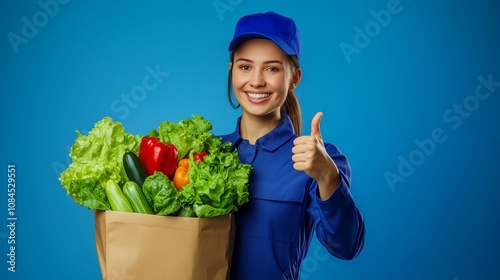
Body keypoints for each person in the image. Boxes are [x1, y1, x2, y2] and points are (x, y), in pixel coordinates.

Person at [220, 11, 365, 279]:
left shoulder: (318, 160)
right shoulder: (207, 153)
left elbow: (347, 246)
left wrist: (327, 176)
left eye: (272, 68)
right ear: (232, 71)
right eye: (245, 66)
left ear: (294, 78)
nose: (256, 80)